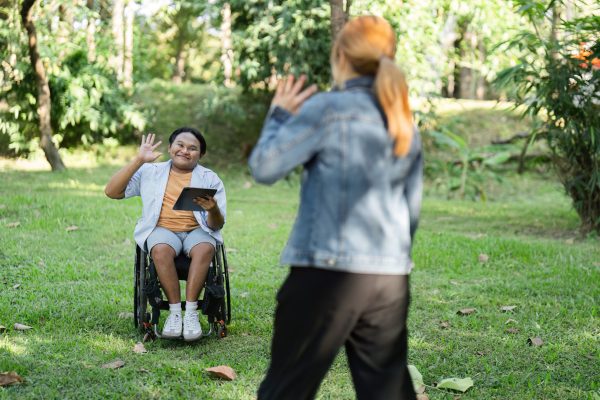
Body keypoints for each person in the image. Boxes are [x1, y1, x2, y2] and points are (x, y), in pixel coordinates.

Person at [248, 16, 422, 400]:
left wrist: (278, 114)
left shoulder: (328, 109)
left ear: (340, 55)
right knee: (387, 392)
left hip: (327, 274)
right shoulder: (402, 117)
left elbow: (264, 168)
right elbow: (411, 209)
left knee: (286, 389)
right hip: (389, 278)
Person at [105, 127, 226, 341]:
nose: (185, 151)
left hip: (196, 231)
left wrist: (212, 208)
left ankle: (190, 314)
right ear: (170, 148)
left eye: (192, 148)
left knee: (207, 246)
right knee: (159, 249)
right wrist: (139, 160)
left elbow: (215, 225)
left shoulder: (209, 178)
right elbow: (112, 192)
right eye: (180, 145)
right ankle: (174, 313)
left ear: (201, 154)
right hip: (162, 230)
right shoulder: (150, 171)